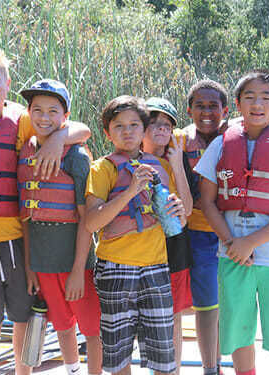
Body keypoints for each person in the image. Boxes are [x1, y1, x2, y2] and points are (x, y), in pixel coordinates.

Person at [0, 45, 90, 375]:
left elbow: (82, 129)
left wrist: (58, 138)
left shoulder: (24, 120)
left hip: (20, 241)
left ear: (8, 83)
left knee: (25, 314)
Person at [196, 70, 269, 375]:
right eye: (249, 97)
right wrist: (232, 243)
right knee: (238, 327)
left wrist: (250, 242)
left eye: (266, 98)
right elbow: (208, 202)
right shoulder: (222, 145)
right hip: (232, 254)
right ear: (237, 103)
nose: (257, 104)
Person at [85, 95, 186, 375]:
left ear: (144, 131)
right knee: (118, 355)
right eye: (119, 126)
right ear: (107, 133)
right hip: (116, 269)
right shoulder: (102, 169)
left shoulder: (159, 167)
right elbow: (92, 223)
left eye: (134, 125)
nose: (127, 131)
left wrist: (177, 210)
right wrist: (130, 191)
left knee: (163, 353)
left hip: (156, 266)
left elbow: (178, 219)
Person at [19, 79, 102, 375]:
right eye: (37, 110)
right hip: (43, 262)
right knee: (63, 326)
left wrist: (79, 270)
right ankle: (72, 370)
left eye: (53, 111)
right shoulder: (25, 151)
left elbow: (86, 221)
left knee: (92, 329)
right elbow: (27, 219)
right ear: (28, 112)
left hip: (76, 263)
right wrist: (30, 266)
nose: (44, 117)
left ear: (65, 117)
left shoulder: (77, 158)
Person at [173, 80, 230, 375]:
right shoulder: (179, 139)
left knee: (226, 304)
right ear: (189, 109)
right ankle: (211, 368)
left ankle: (220, 362)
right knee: (206, 305)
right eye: (200, 106)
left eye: (213, 106)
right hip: (198, 234)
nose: (207, 112)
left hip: (235, 233)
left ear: (226, 110)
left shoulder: (237, 135)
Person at [143, 97, 194, 375]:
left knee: (173, 317)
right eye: (153, 123)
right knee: (148, 317)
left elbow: (186, 211)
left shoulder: (177, 158)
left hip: (173, 247)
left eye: (166, 124)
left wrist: (175, 164)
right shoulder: (131, 158)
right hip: (141, 247)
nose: (161, 129)